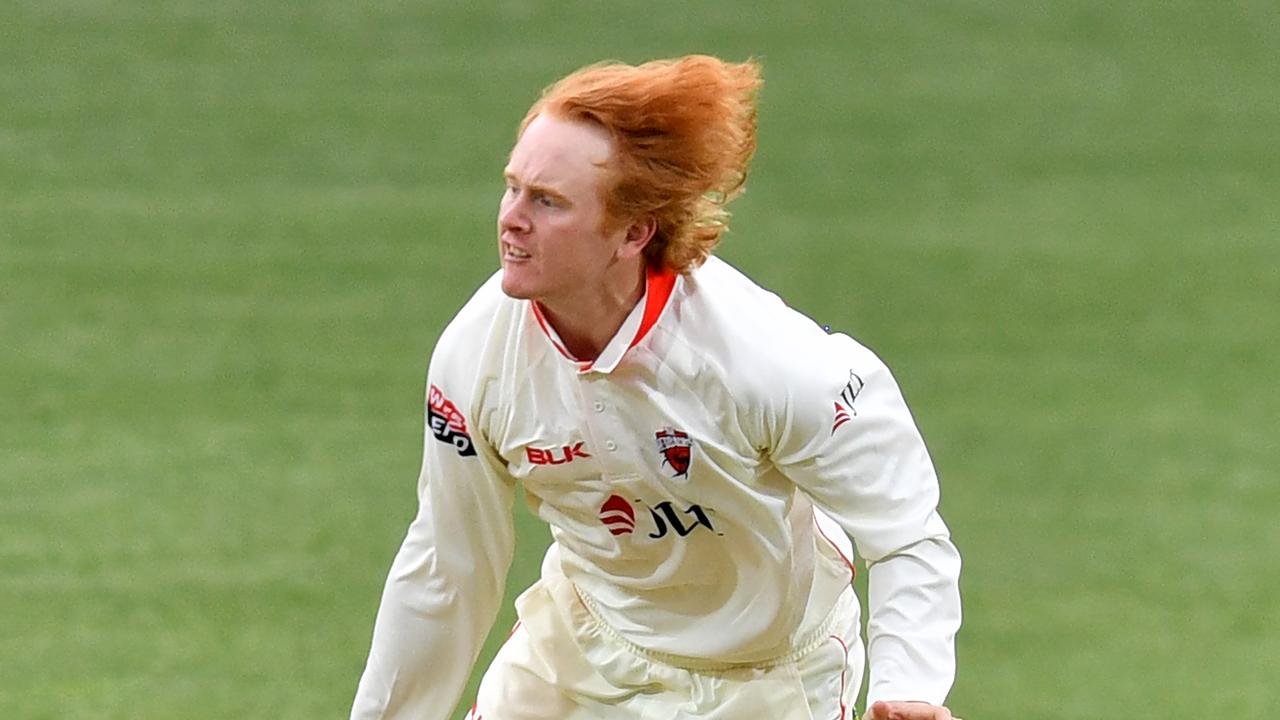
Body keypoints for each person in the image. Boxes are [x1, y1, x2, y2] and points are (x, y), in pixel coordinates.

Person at [350, 55, 962, 720]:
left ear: (633, 232)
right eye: (512, 187)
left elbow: (905, 533)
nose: (512, 219)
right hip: (584, 648)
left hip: (764, 681)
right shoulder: (477, 357)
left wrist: (909, 685)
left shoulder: (767, 361)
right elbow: (448, 568)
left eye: (547, 201)